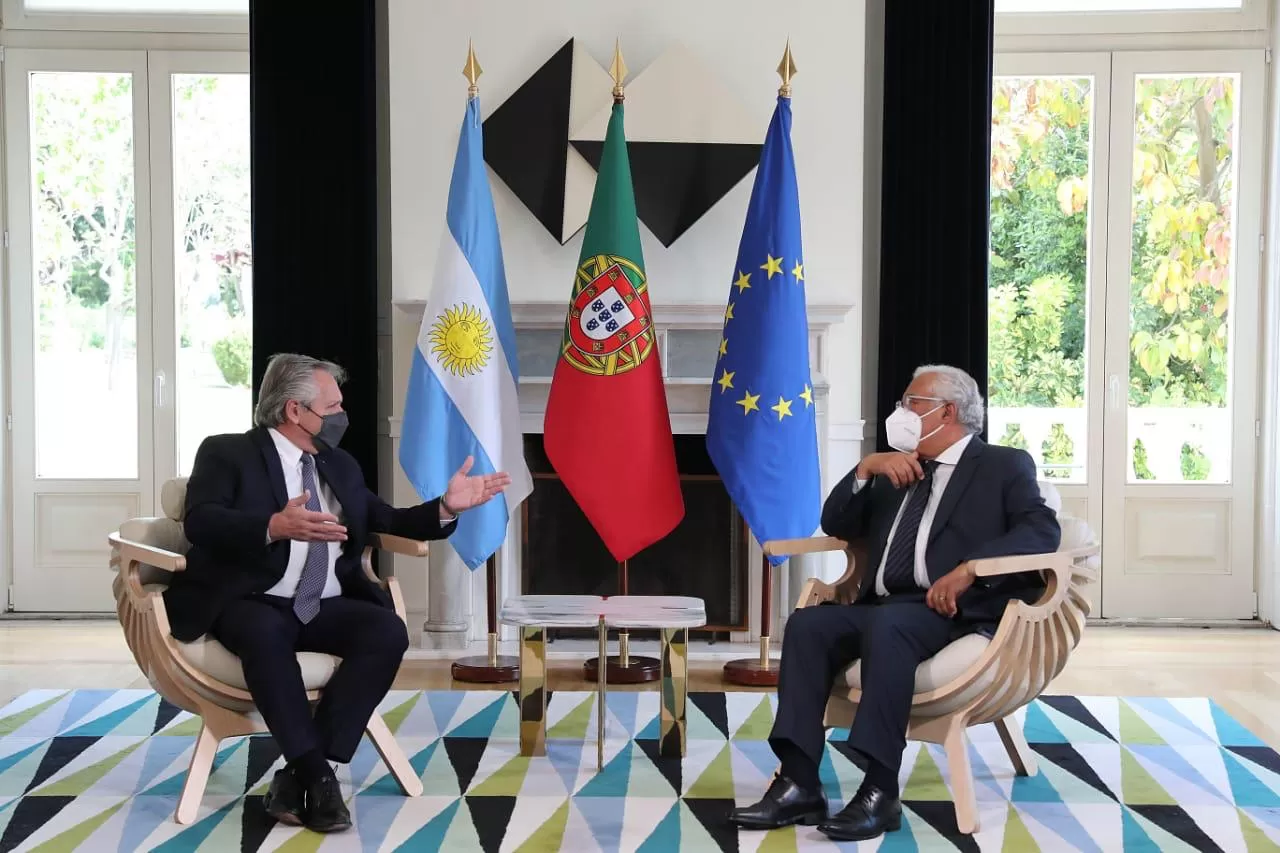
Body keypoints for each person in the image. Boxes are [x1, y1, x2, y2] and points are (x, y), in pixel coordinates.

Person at [163, 353, 510, 833]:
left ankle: (299, 772)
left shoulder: (337, 465)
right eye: (333, 405)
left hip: (323, 603)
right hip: (252, 599)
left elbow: (388, 519)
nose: (342, 414)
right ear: (294, 410)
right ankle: (320, 778)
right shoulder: (227, 452)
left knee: (386, 631)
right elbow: (202, 520)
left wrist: (447, 507)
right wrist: (272, 525)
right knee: (264, 634)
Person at [728, 364, 1060, 842]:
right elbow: (836, 521)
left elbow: (1041, 531)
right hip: (882, 603)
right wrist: (865, 470)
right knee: (806, 626)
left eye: (911, 404)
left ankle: (880, 791)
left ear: (947, 413)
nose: (900, 413)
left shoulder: (1003, 466)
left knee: (891, 627)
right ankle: (799, 783)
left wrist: (969, 569)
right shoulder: (894, 468)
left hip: (948, 611)